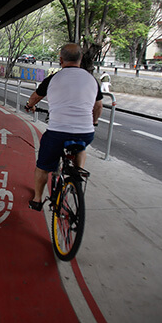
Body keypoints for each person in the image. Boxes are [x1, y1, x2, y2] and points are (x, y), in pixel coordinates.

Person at [24, 43, 103, 211]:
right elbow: (98, 106)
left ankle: (37, 200)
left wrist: (29, 105)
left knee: (43, 167)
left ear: (61, 60)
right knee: (81, 147)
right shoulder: (92, 80)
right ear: (81, 59)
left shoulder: (53, 78)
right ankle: (77, 175)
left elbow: (35, 97)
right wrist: (94, 122)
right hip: (85, 133)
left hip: (57, 133)